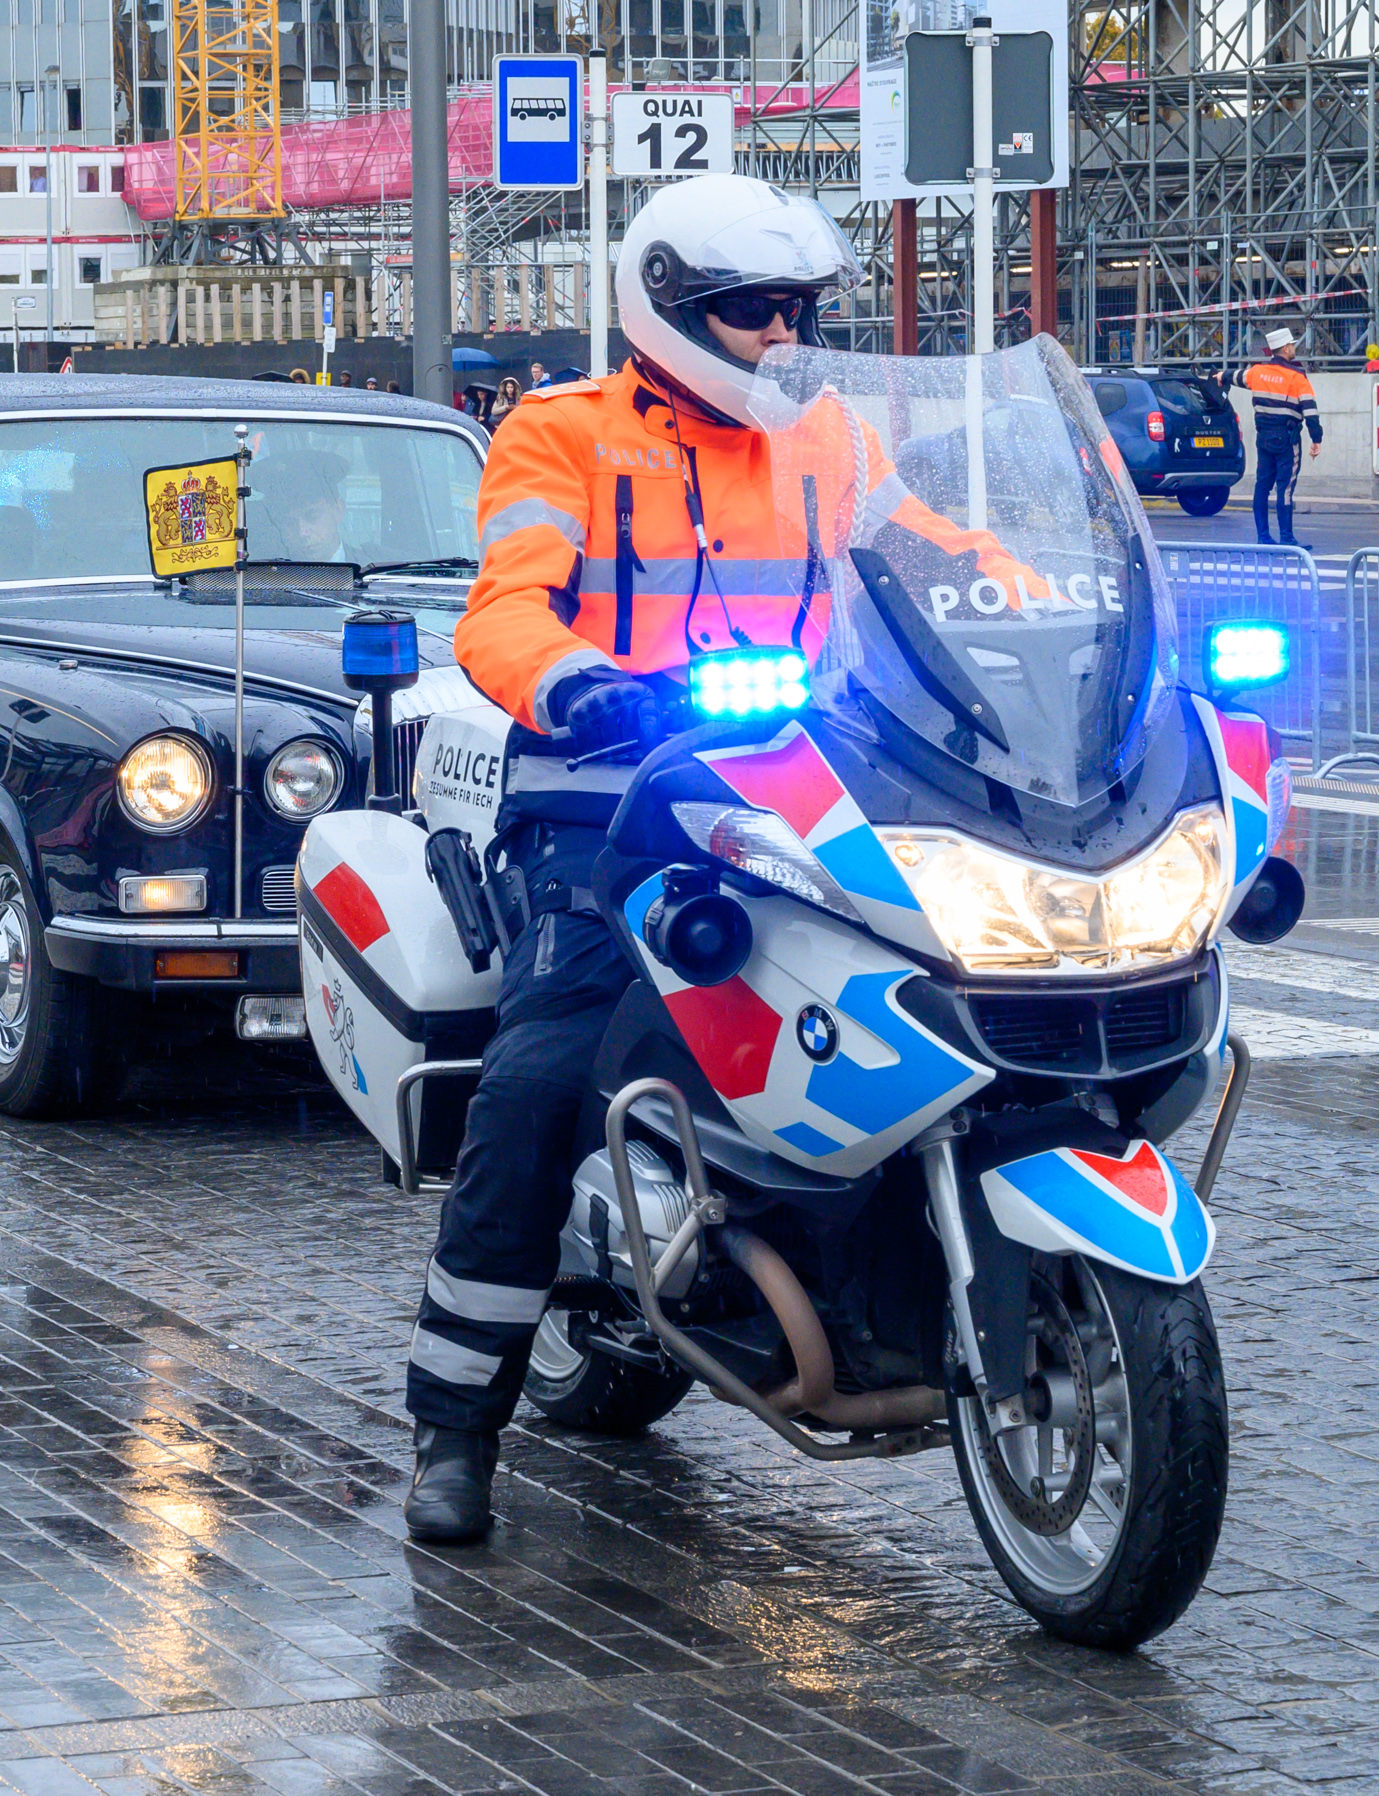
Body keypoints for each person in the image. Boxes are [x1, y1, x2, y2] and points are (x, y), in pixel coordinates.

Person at [402, 172, 1033, 1544]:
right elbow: (501, 612)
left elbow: (940, 555)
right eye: (754, 312)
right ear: (673, 310)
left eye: (801, 312)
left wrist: (1044, 604)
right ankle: (456, 1426)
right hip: (602, 795)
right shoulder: (560, 433)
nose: (781, 336)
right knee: (545, 1071)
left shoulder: (827, 443)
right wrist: (577, 686)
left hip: (799, 797)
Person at [1229, 326, 1320, 548]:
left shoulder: (1257, 372)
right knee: (1285, 488)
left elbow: (1234, 377)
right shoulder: (1297, 377)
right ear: (1287, 348)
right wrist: (1316, 439)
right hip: (1287, 441)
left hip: (1264, 440)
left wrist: (1219, 376)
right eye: (1293, 346)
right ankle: (1287, 538)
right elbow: (1310, 411)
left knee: (1262, 486)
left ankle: (1263, 537)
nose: (1294, 349)